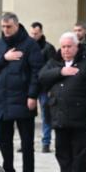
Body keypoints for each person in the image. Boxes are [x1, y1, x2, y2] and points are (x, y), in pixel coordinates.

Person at [0, 12, 45, 172]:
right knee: (4, 141)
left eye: (9, 26)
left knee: (26, 143)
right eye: (3, 26)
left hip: (23, 100)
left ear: (17, 25)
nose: (5, 29)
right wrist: (4, 58)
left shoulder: (30, 45)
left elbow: (37, 72)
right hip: (2, 101)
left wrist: (32, 95)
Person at [39, 32, 86, 172]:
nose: (66, 50)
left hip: (81, 113)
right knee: (61, 148)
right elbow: (42, 77)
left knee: (79, 149)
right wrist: (60, 72)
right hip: (59, 112)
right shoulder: (54, 62)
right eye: (63, 47)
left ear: (77, 47)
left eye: (69, 46)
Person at [29, 21, 58, 153]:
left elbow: (52, 68)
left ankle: (46, 142)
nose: (34, 36)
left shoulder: (48, 48)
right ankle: (27, 142)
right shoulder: (28, 47)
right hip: (31, 86)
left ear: (41, 32)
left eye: (36, 33)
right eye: (32, 33)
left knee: (46, 115)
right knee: (28, 116)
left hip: (44, 87)